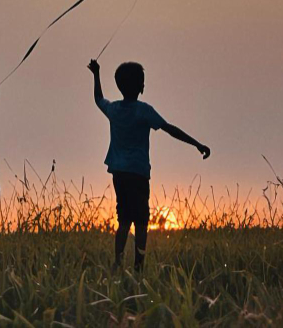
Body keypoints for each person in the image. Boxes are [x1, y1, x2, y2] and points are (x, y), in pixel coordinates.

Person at [87, 59, 209, 272]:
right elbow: (169, 129)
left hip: (119, 173)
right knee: (142, 221)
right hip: (138, 173)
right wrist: (196, 144)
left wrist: (96, 74)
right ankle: (139, 265)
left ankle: (118, 262)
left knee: (124, 219)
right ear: (141, 87)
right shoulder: (144, 111)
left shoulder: (114, 109)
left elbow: (98, 99)